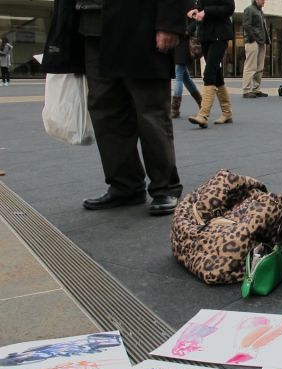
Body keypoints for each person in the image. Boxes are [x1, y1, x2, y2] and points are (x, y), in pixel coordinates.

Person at [42, 0, 185, 216]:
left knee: (149, 109)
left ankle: (164, 186)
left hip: (140, 22)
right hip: (90, 22)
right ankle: (125, 184)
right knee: (104, 109)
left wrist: (169, 23)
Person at [188, 0, 236, 127]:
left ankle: (203, 115)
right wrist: (195, 12)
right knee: (217, 74)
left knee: (209, 73)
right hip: (205, 36)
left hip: (220, 36)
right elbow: (201, 9)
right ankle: (227, 113)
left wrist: (206, 12)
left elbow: (229, 8)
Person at [171, 21, 203, 118]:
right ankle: (201, 103)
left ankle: (175, 109)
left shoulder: (186, 7)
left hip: (183, 45)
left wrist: (187, 31)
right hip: (181, 45)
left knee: (179, 77)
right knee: (186, 79)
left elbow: (196, 20)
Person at [242, 0, 271, 98]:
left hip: (261, 42)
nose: (264, 2)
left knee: (259, 67)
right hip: (252, 41)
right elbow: (246, 25)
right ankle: (246, 90)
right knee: (250, 66)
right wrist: (254, 38)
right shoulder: (249, 9)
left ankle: (256, 89)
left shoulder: (259, 11)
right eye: (262, 0)